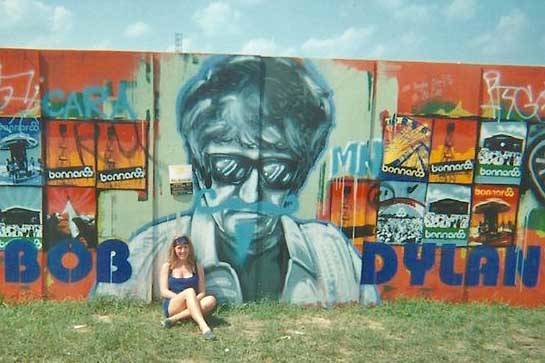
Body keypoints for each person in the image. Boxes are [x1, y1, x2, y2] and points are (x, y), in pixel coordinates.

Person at [94, 55, 379, 306]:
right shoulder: (143, 257)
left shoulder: (332, 256)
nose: (252, 193)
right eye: (229, 165)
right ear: (202, 169)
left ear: (297, 177)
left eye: (276, 170)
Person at [160, 236, 217, 340]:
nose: (183, 251)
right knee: (190, 291)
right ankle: (204, 327)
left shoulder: (196, 266)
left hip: (192, 301)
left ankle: (173, 320)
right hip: (173, 304)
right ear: (174, 249)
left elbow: (202, 292)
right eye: (179, 248)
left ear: (189, 248)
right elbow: (164, 291)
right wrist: (183, 298)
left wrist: (192, 301)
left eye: (185, 247)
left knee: (211, 300)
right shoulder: (168, 266)